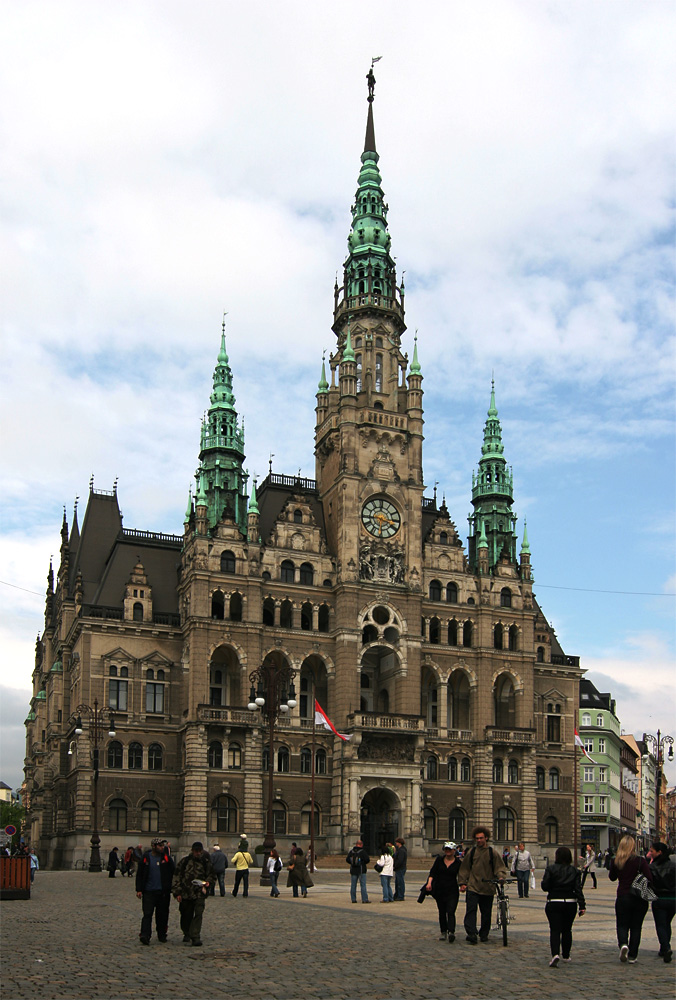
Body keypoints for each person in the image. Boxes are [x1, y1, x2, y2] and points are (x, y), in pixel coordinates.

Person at [458, 825, 508, 944]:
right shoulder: (472, 852)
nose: (479, 840)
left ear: (486, 838)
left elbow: (499, 867)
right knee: (471, 910)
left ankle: (484, 933)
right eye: (477, 838)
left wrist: (500, 876)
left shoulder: (492, 853)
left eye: (481, 838)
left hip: (488, 887)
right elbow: (464, 868)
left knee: (486, 913)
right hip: (473, 886)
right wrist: (462, 882)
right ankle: (471, 933)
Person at [608, 833, 653, 963]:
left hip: (623, 895)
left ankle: (623, 944)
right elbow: (649, 878)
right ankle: (633, 955)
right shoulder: (640, 861)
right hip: (639, 897)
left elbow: (612, 878)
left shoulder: (616, 861)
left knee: (622, 924)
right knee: (636, 926)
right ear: (633, 846)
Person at [541, 846, 586, 967]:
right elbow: (578, 889)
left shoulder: (551, 869)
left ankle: (555, 954)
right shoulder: (575, 871)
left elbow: (545, 886)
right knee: (567, 929)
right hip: (570, 902)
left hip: (554, 901)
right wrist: (582, 905)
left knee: (555, 930)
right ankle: (566, 955)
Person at [172, 842, 215, 947]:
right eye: (196, 851)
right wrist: (177, 892)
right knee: (186, 915)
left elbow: (212, 875)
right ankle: (187, 932)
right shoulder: (184, 862)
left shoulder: (206, 863)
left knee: (198, 914)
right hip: (186, 893)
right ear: (192, 851)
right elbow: (176, 877)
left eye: (199, 851)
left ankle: (195, 936)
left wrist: (208, 882)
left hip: (199, 893)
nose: (198, 853)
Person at [135, 837, 175, 946]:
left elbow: (174, 871)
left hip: (163, 892)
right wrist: (139, 889)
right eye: (160, 846)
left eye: (163, 846)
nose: (162, 848)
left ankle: (162, 934)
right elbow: (140, 875)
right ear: (154, 846)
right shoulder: (146, 858)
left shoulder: (166, 858)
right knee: (147, 914)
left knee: (162, 915)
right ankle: (145, 935)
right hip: (149, 891)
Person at [426, 842, 462, 942]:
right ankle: (443, 931)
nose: (447, 851)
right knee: (442, 912)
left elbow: (462, 875)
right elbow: (432, 872)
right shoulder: (439, 860)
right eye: (446, 849)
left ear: (454, 851)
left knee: (451, 911)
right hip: (440, 889)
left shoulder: (458, 863)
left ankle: (451, 932)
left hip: (452, 890)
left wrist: (463, 884)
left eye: (449, 849)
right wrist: (429, 883)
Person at [647, 841, 675, 962]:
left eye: (652, 851)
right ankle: (664, 948)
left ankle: (666, 947)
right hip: (673, 899)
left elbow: (648, 883)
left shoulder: (652, 867)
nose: (650, 853)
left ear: (659, 852)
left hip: (659, 899)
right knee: (666, 923)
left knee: (661, 924)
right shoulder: (674, 866)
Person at [346, 839, 370, 904]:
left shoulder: (351, 851)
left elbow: (347, 860)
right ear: (361, 845)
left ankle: (353, 899)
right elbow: (367, 860)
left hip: (353, 870)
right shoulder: (362, 852)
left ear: (356, 844)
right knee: (363, 885)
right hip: (361, 870)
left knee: (353, 885)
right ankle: (364, 899)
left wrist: (352, 863)